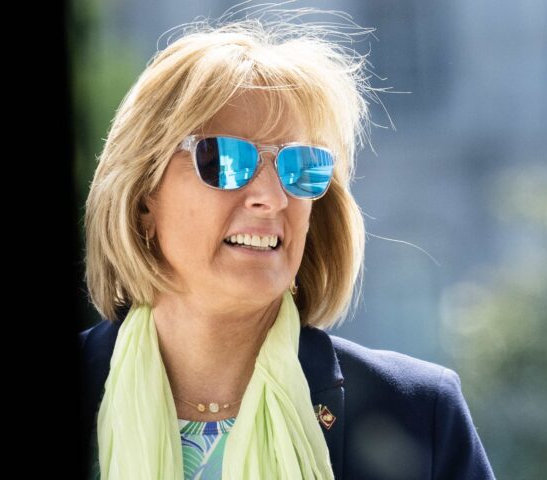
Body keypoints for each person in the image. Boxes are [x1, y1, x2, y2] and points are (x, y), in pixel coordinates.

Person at [78, 11, 495, 480]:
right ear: (142, 201)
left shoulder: (420, 413)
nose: (273, 198)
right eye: (226, 159)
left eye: (300, 166)